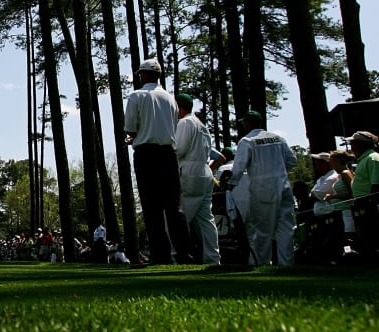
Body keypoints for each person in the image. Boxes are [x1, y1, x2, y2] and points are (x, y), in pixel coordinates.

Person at [123, 58, 193, 264]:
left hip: (146, 154)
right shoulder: (171, 99)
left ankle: (160, 254)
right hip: (168, 155)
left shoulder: (136, 96)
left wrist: (134, 136)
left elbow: (130, 128)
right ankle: (184, 253)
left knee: (151, 206)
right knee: (174, 207)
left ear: (142, 75)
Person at [227, 110, 296, 266]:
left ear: (249, 123)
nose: (243, 125)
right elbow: (292, 161)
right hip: (283, 186)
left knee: (262, 230)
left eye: (244, 122)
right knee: (286, 228)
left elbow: (238, 168)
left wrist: (230, 183)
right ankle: (287, 263)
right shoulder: (278, 138)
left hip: (262, 189)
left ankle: (261, 263)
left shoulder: (247, 141)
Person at [174, 93, 220, 265]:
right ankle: (213, 257)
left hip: (190, 171)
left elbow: (179, 149)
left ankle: (175, 255)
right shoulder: (201, 125)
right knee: (206, 219)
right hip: (205, 171)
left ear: (180, 107)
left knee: (181, 217)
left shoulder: (185, 122)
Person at [346, 131, 379, 256]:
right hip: (362, 203)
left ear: (361, 144)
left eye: (353, 143)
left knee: (372, 233)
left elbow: (376, 184)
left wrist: (368, 202)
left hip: (369, 204)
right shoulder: (363, 159)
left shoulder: (373, 158)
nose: (351, 145)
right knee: (365, 234)